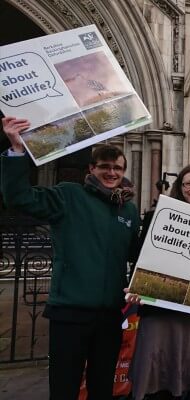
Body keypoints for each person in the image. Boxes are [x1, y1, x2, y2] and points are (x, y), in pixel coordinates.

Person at [0, 116, 140, 400]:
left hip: (110, 316)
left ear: (124, 170)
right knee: (64, 388)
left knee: (103, 389)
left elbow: (137, 255)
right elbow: (19, 197)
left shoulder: (128, 210)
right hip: (70, 313)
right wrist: (16, 149)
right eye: (105, 167)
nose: (111, 173)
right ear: (92, 168)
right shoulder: (69, 196)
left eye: (117, 168)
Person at [127, 164, 190, 400]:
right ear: (179, 188)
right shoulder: (156, 216)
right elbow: (140, 258)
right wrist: (137, 285)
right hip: (162, 313)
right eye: (188, 184)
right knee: (158, 383)